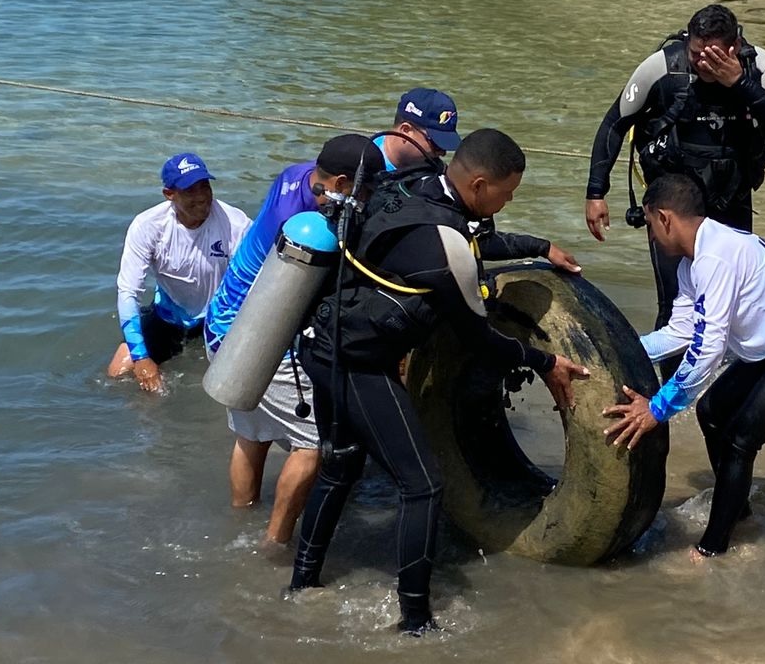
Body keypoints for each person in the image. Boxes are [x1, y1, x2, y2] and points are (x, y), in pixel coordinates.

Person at [289, 129, 589, 635]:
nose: (509, 200)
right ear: (478, 184)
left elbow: (479, 241)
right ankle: (415, 623)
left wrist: (540, 246)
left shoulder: (414, 187)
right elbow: (480, 339)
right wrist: (543, 362)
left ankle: (300, 587)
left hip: (322, 343)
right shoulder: (442, 245)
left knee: (340, 466)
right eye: (508, 192)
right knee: (423, 485)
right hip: (359, 363)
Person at [602, 174, 765, 562]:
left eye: (650, 225)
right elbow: (679, 334)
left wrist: (657, 409)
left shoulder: (715, 258)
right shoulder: (692, 266)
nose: (651, 237)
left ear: (664, 217)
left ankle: (713, 548)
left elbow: (707, 351)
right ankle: (737, 510)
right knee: (711, 412)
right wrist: (616, 351)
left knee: (741, 438)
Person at [583, 3, 765, 379]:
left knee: (735, 306)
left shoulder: (758, 64)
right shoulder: (663, 66)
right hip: (674, 207)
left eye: (714, 55)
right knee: (675, 309)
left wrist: (740, 82)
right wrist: (595, 192)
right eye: (696, 53)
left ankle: (723, 387)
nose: (703, 63)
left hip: (731, 198)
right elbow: (615, 123)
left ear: (734, 46)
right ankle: (665, 397)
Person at [204, 134, 386, 547]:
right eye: (366, 189)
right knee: (311, 445)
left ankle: (240, 523)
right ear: (341, 184)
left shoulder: (298, 175)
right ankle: (276, 544)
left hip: (222, 324)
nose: (368, 197)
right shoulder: (310, 224)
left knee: (253, 436)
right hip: (259, 336)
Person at [107, 153, 250, 393]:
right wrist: (142, 359)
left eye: (205, 186)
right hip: (169, 315)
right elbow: (128, 293)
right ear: (169, 194)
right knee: (116, 375)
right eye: (190, 190)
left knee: (231, 387)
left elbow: (251, 285)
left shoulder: (236, 224)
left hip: (219, 317)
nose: (202, 197)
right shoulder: (148, 226)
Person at [372, 87, 462, 173]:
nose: (442, 154)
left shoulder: (438, 171)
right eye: (436, 145)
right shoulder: (363, 165)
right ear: (406, 131)